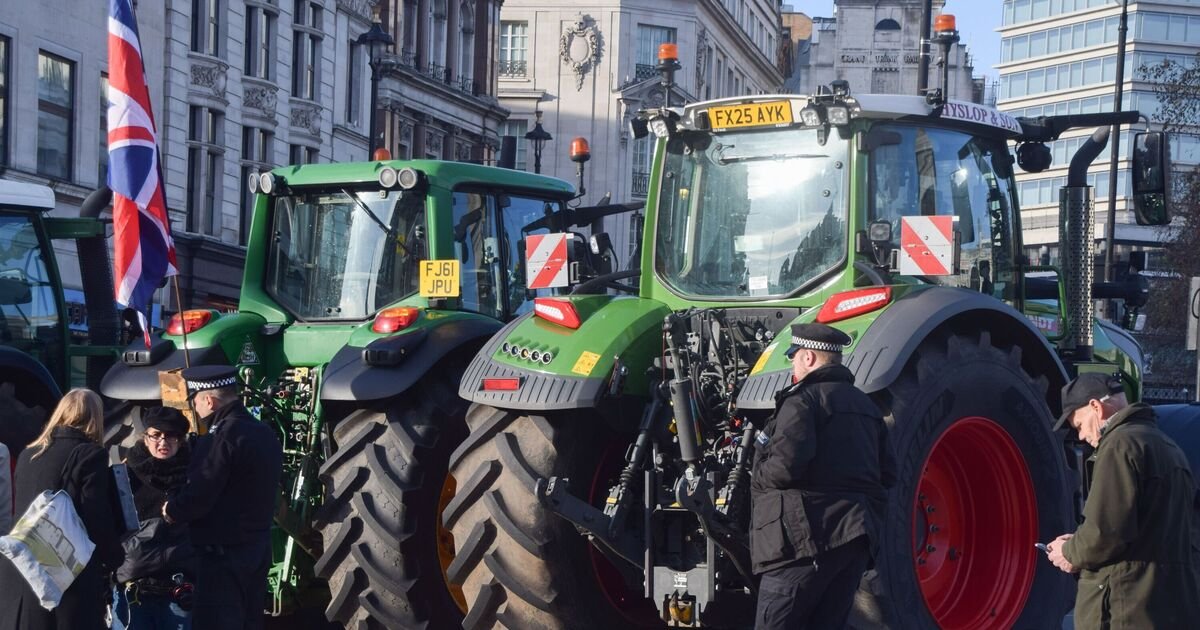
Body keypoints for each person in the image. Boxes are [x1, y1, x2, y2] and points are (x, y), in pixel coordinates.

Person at [751, 323, 895, 629]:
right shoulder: (867, 407)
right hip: (853, 542)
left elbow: (784, 468)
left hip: (803, 543)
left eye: (794, 357)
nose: (792, 364)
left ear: (809, 358)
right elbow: (888, 473)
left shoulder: (802, 401)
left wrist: (757, 474)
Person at [1045, 372, 1200, 629]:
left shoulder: (1119, 445)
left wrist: (1068, 551)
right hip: (1166, 606)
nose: (1082, 437)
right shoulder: (1168, 446)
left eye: (1080, 425)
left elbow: (1105, 534)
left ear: (1096, 407)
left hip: (1126, 609)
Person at [162, 366, 282, 630]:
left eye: (195, 400)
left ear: (208, 400)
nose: (195, 408)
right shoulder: (265, 433)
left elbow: (201, 492)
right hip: (258, 549)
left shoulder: (220, 438)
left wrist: (172, 509)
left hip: (223, 556)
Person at [0, 389, 124, 630]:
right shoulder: (90, 455)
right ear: (95, 418)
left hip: (24, 569)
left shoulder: (29, 453)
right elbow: (94, 514)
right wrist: (114, 557)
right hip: (64, 575)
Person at [112, 406, 195, 630]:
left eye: (171, 436)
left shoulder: (194, 478)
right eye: (156, 435)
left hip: (178, 588)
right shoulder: (125, 476)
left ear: (181, 439)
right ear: (145, 437)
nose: (163, 442)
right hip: (134, 589)